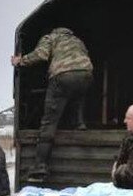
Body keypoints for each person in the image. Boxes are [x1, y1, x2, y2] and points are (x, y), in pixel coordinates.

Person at [11, 27, 93, 182]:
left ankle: (40, 166)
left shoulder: (51, 38)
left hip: (62, 75)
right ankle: (79, 123)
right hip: (86, 74)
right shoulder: (77, 41)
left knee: (49, 122)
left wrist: (20, 61)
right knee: (78, 99)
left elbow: (41, 55)